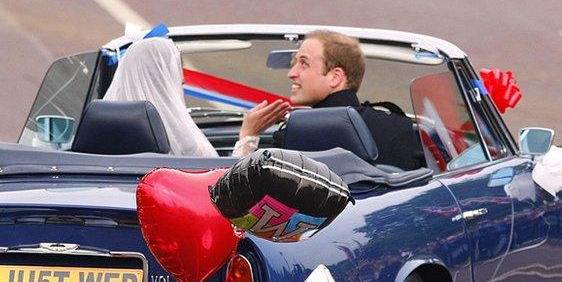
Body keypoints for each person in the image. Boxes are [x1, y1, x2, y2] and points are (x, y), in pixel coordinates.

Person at [240, 30, 422, 170]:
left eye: (304, 63)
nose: (291, 73)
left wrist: (248, 135)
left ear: (335, 77)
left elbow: (246, 196)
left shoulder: (296, 134)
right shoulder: (399, 125)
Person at [103, 37, 285, 158]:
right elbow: (226, 194)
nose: (182, 80)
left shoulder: (99, 138)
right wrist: (248, 135)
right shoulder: (186, 145)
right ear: (168, 82)